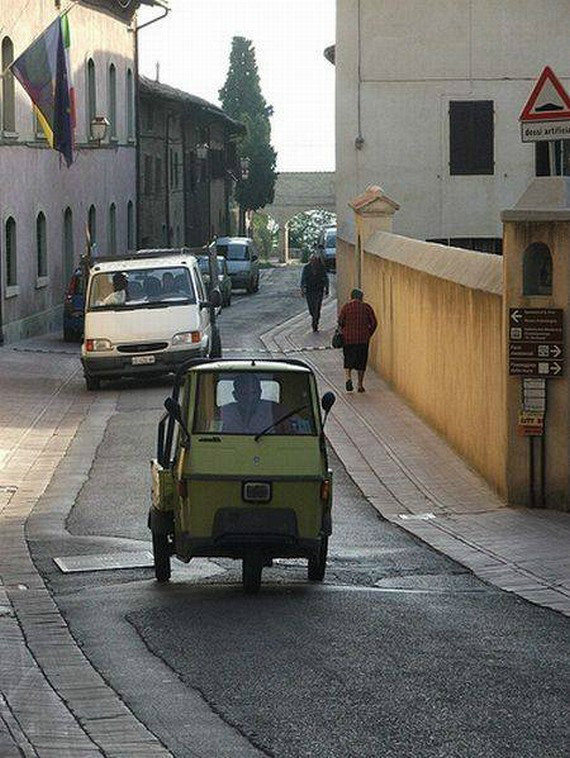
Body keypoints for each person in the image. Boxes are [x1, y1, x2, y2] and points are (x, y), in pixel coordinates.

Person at [338, 288, 377, 393]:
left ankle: (348, 378)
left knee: (348, 360)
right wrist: (368, 334)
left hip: (348, 339)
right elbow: (374, 323)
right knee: (361, 362)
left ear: (351, 297)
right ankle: (360, 385)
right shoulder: (367, 308)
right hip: (363, 340)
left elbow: (340, 321)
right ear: (361, 297)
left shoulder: (346, 307)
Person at [300, 253, 329, 332]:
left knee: (317, 308)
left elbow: (326, 278)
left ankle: (315, 323)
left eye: (315, 260)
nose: (313, 262)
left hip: (318, 290)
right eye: (312, 260)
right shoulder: (306, 268)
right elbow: (303, 279)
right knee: (311, 309)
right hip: (309, 291)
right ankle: (314, 318)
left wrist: (327, 289)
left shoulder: (321, 268)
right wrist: (302, 289)